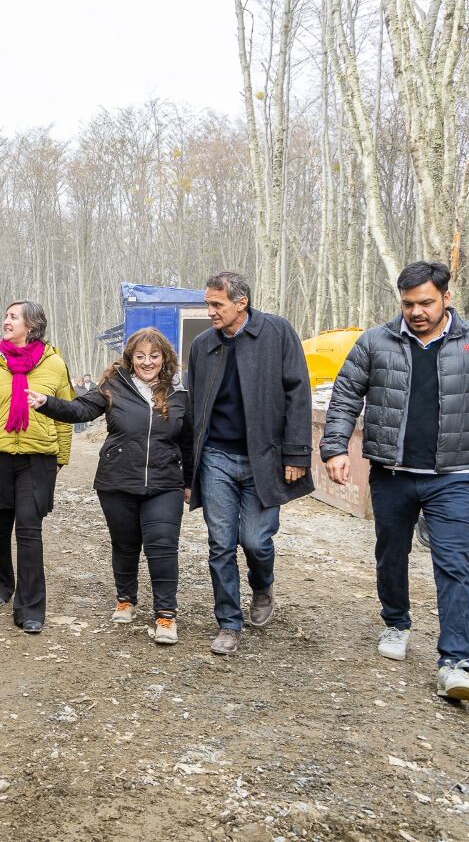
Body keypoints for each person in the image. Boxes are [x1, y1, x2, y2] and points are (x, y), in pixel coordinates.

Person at [321, 261, 469, 702]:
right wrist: (335, 448)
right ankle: (396, 622)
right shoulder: (375, 342)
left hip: (452, 475)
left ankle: (455, 663)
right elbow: (344, 397)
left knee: (454, 563)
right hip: (392, 474)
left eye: (426, 302)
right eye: (408, 303)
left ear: (446, 298)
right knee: (391, 555)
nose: (417, 312)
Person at [26, 327, 193, 644]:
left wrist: (189, 482)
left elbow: (189, 441)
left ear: (164, 358)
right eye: (140, 356)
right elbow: (80, 410)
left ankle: (166, 615)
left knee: (162, 546)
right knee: (126, 544)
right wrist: (47, 402)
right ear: (130, 358)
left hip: (165, 482)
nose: (147, 362)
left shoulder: (179, 392)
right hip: (118, 480)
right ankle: (126, 599)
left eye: (154, 356)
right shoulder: (114, 385)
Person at [187, 271, 314, 656]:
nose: (209, 312)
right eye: (208, 303)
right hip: (216, 459)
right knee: (220, 544)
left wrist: (296, 453)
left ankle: (262, 587)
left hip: (264, 458)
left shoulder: (277, 333)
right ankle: (228, 621)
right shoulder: (203, 345)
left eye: (216, 305)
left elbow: (298, 394)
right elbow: (193, 407)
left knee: (256, 541)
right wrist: (187, 470)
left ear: (241, 302)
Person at [0, 300, 74, 634]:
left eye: (13, 316)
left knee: (29, 529)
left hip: (37, 458)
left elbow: (65, 411)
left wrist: (61, 458)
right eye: (6, 315)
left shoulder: (54, 364)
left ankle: (30, 609)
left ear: (31, 324)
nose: (6, 320)